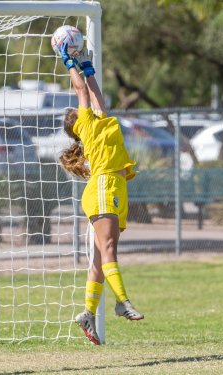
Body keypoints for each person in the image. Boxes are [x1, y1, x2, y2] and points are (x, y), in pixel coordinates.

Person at [58, 41, 144, 345]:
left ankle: (88, 313)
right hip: (105, 186)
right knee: (109, 250)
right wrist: (67, 59)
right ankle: (122, 302)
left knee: (98, 261)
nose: (81, 107)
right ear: (77, 123)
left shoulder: (100, 121)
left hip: (113, 187)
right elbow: (82, 92)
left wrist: (88, 67)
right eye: (77, 111)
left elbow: (93, 94)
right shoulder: (88, 127)